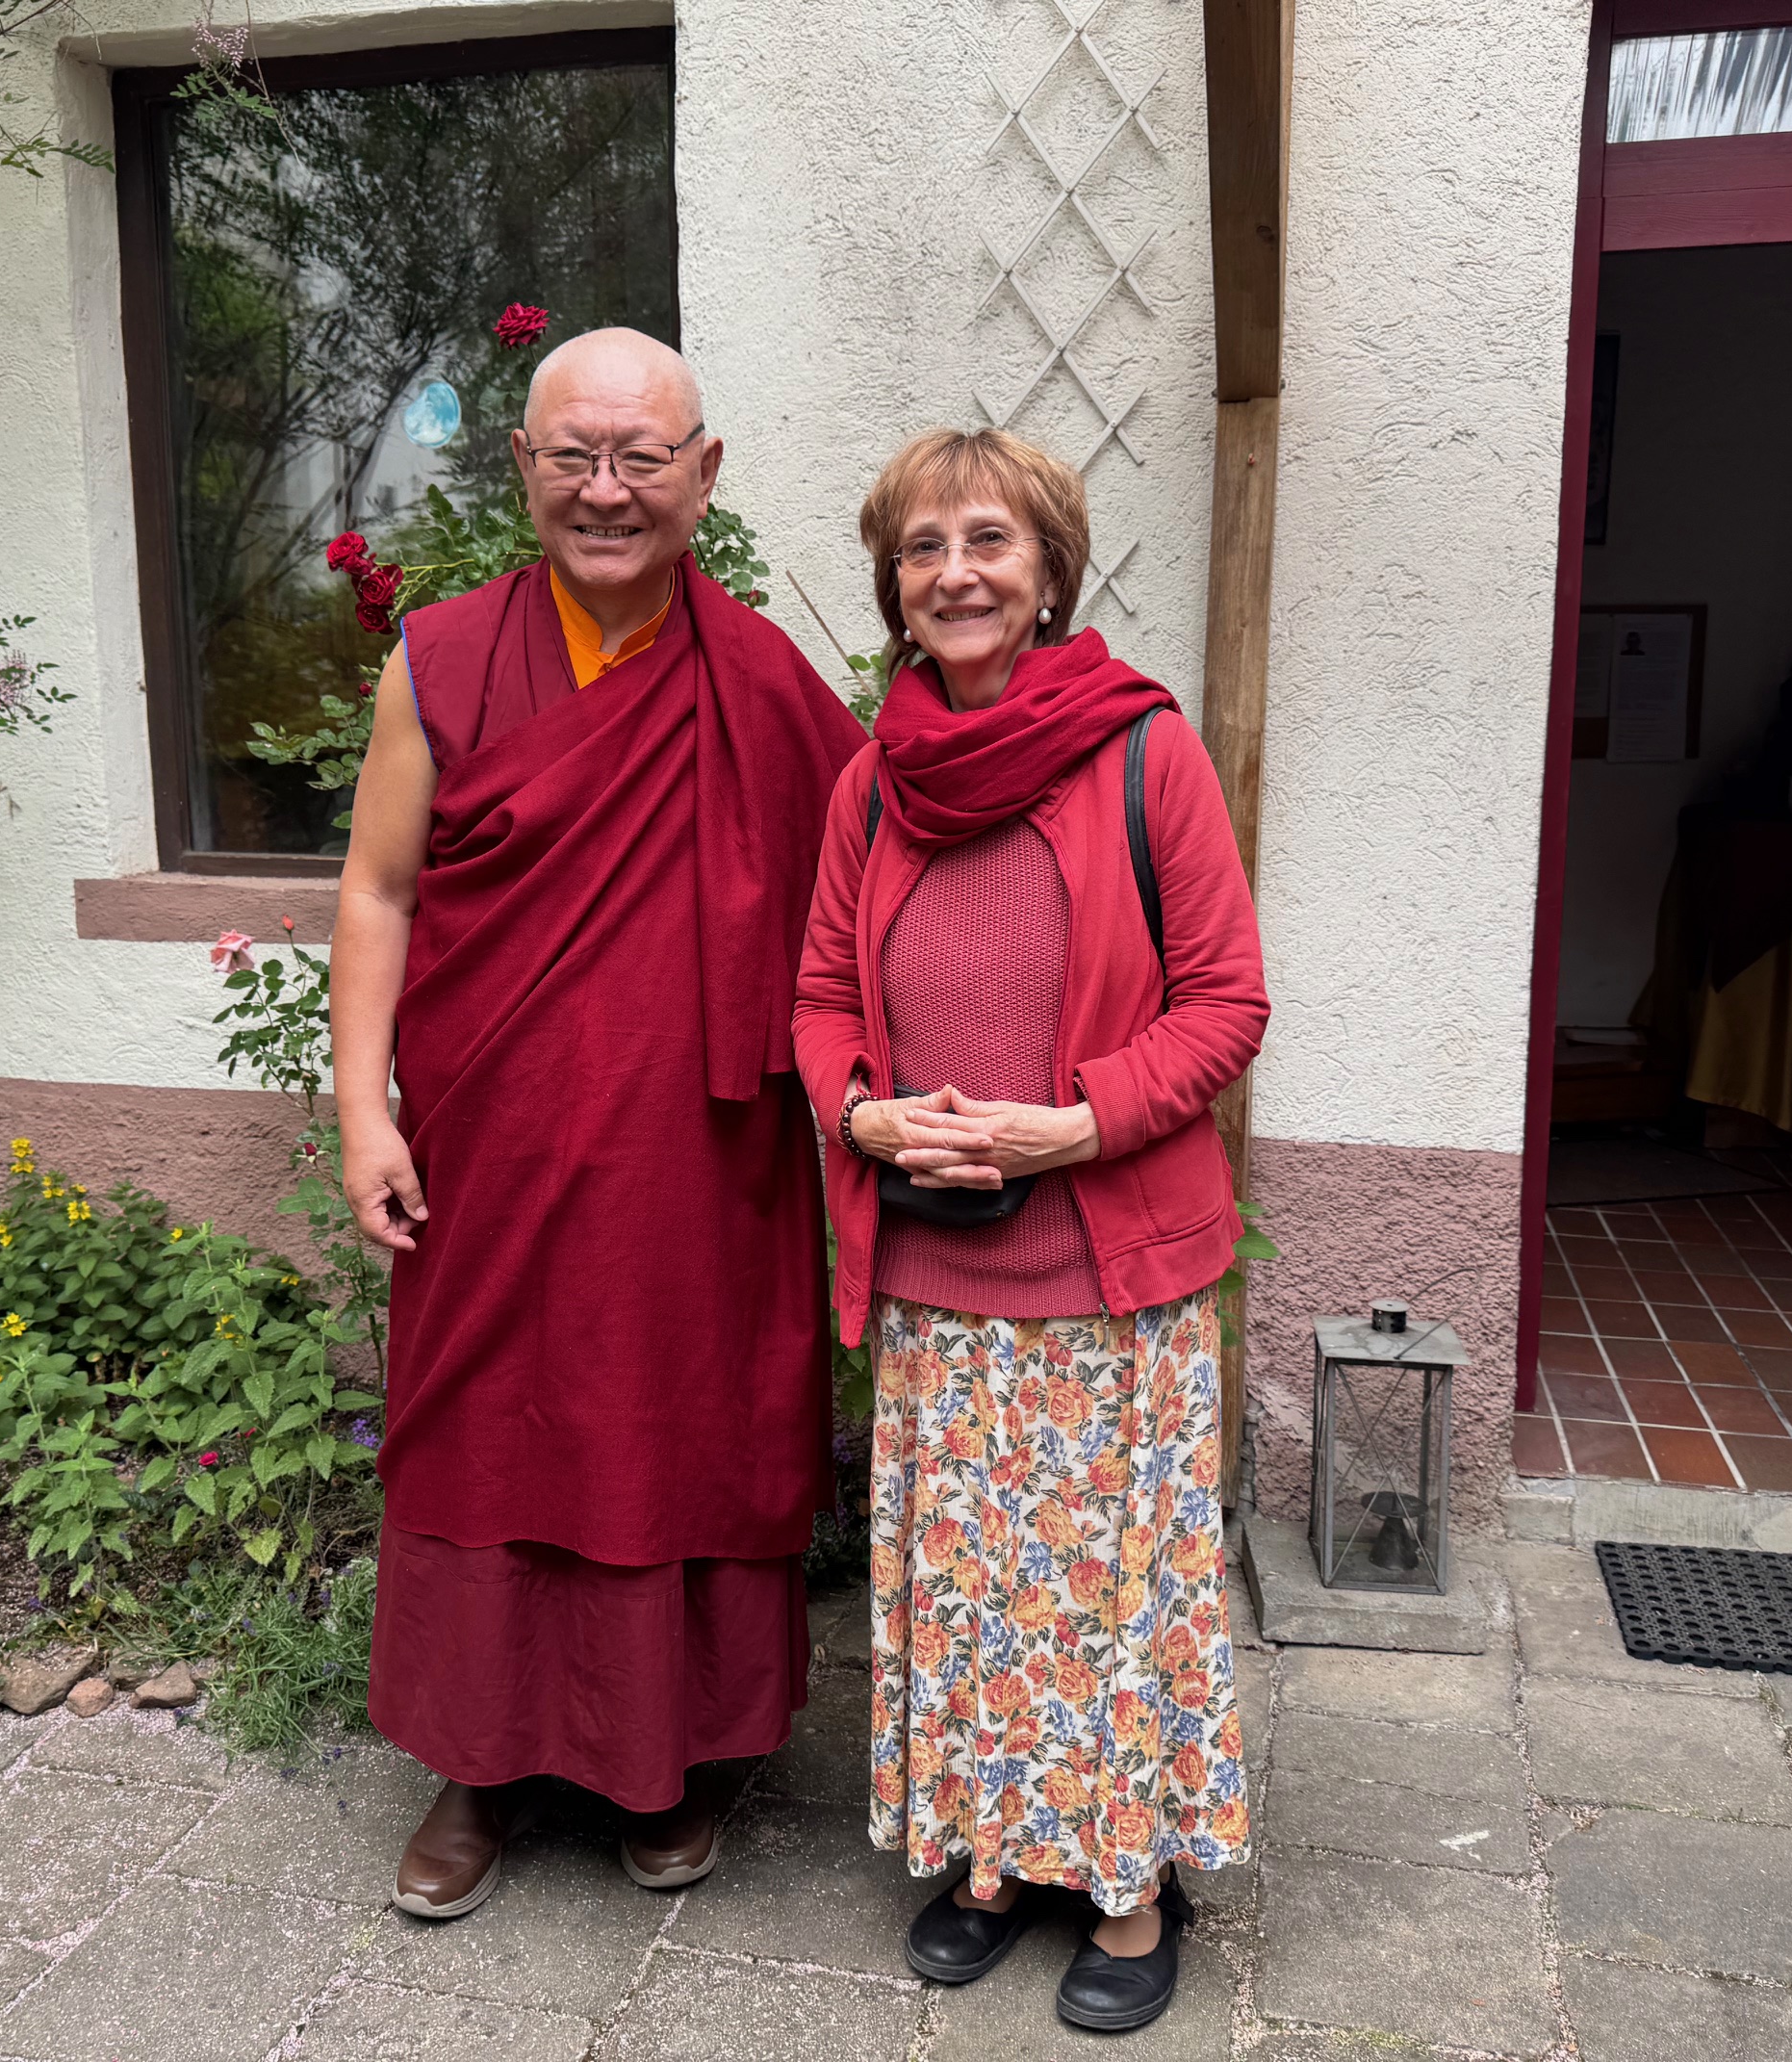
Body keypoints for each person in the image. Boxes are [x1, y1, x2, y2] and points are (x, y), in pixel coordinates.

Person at [332, 327, 868, 1918]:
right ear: (522, 467)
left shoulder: (761, 680)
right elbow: (377, 889)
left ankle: (672, 1760)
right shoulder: (442, 659)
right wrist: (361, 1111)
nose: (607, 488)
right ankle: (476, 1766)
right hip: (491, 1141)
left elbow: (870, 897)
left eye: (643, 456)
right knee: (483, 1429)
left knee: (677, 1426)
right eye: (574, 454)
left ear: (706, 476)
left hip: (700, 1158)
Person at [791, 427, 1269, 2033]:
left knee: (1109, 1594)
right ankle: (994, 1855)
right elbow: (818, 998)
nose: (957, 574)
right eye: (923, 549)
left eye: (988, 540)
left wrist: (1077, 1122)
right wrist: (864, 1112)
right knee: (971, 1584)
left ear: (1050, 570)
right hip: (935, 1270)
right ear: (895, 587)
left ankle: (1128, 1884)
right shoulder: (873, 783)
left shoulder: (1143, 754)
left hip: (1105, 1275)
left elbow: (1226, 1004)